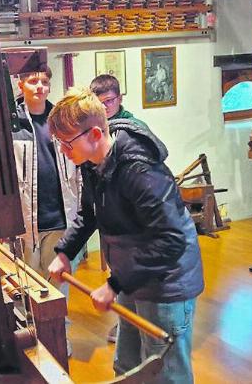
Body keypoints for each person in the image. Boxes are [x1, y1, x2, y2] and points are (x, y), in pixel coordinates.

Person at [47, 88, 203, 384]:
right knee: (128, 368)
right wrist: (65, 252)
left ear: (94, 133)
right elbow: (89, 213)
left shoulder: (138, 168)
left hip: (165, 282)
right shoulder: (92, 162)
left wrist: (115, 283)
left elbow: (170, 238)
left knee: (166, 374)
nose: (64, 151)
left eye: (67, 143)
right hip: (134, 275)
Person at [10, 67, 81, 356]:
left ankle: (58, 338)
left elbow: (77, 169)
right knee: (24, 285)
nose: (39, 87)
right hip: (24, 222)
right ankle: (29, 341)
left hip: (60, 219)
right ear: (21, 84)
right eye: (33, 81)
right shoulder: (10, 123)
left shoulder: (60, 121)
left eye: (44, 82)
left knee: (56, 287)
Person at [89, 73, 148, 343]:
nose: (105, 107)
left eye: (109, 101)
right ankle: (125, 321)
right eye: (99, 103)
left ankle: (133, 322)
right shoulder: (95, 130)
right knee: (117, 264)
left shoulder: (131, 129)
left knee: (133, 266)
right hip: (110, 209)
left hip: (130, 212)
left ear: (120, 98)